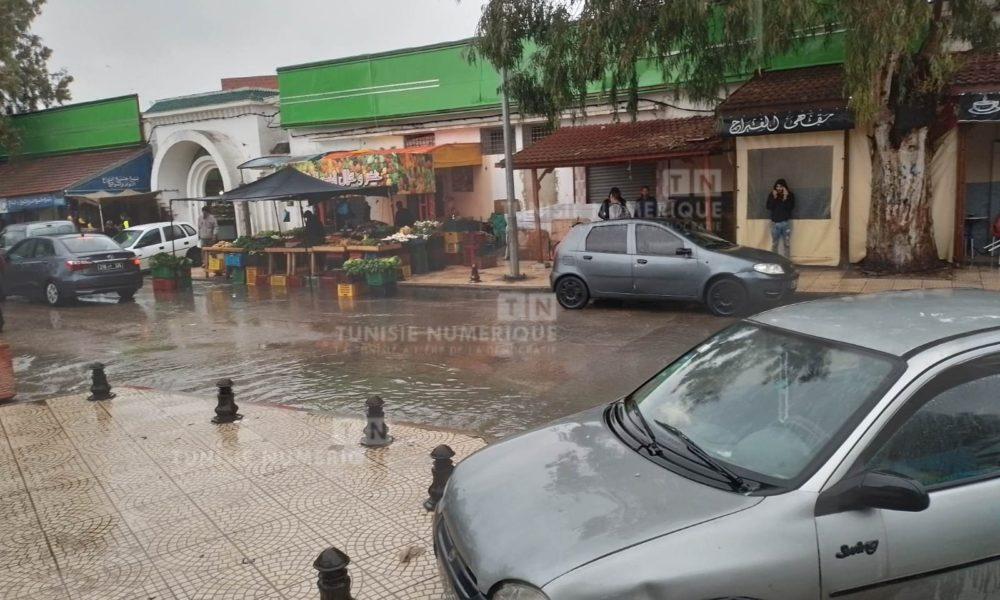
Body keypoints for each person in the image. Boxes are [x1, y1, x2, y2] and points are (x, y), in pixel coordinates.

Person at [766, 178, 795, 258]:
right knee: (774, 243)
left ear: (784, 187)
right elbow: (769, 207)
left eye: (781, 186)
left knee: (787, 244)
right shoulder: (772, 194)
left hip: (786, 223)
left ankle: (787, 261)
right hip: (775, 223)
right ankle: (774, 261)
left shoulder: (790, 195)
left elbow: (790, 207)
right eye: (777, 186)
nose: (778, 188)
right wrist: (774, 197)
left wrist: (785, 197)